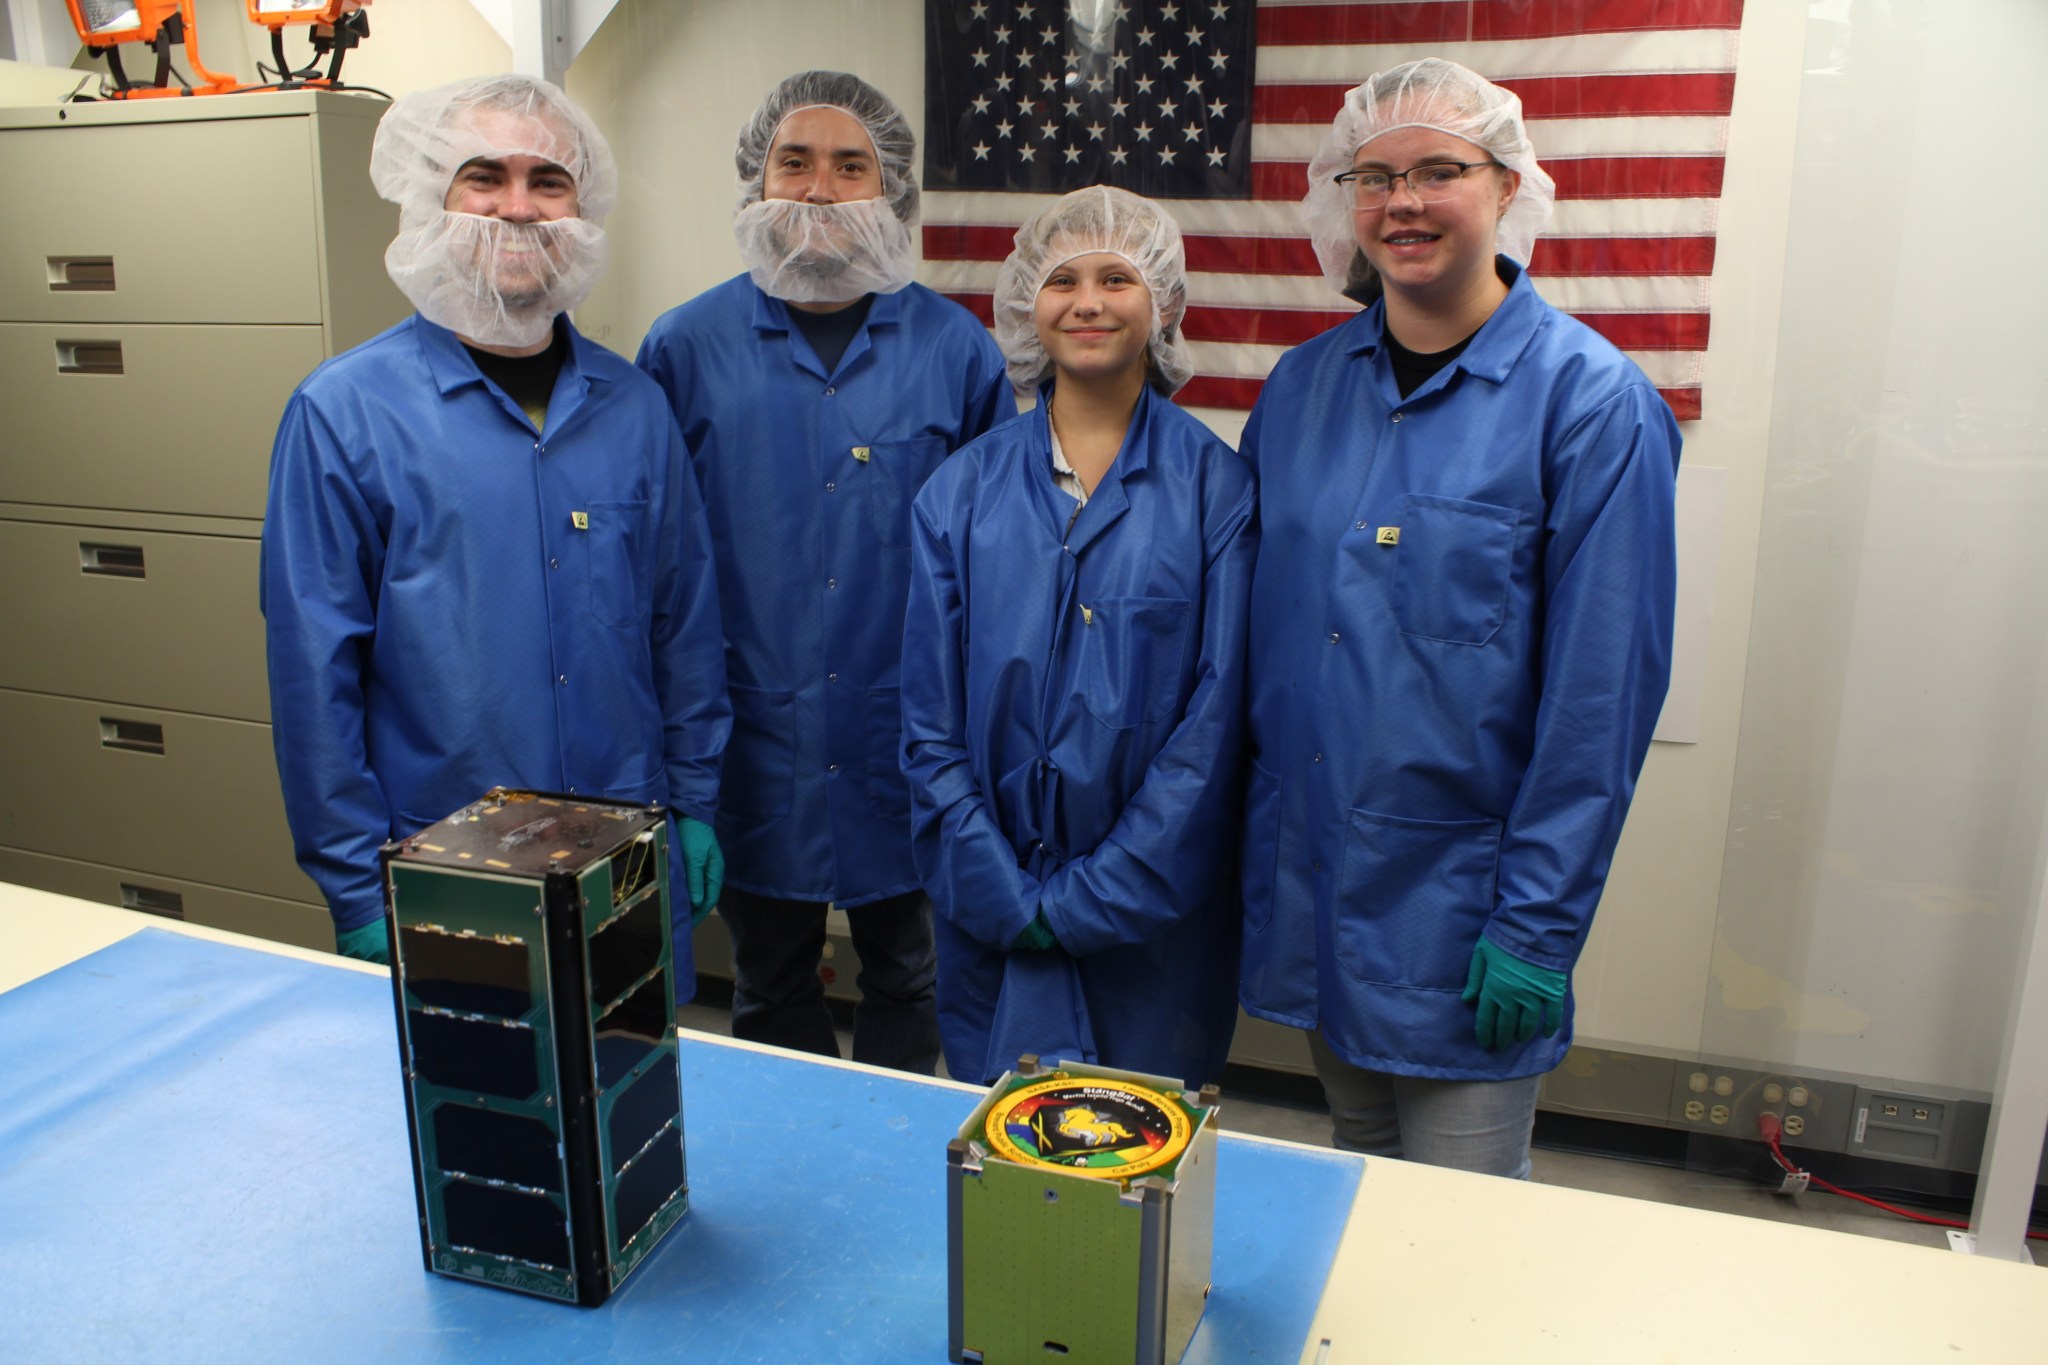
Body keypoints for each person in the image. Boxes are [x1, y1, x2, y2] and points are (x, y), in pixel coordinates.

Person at [1237, 59, 1681, 1176]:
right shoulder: (1297, 391)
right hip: (1314, 893)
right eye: (1372, 176)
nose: (1402, 202)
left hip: (1462, 918)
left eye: (1438, 170)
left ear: (1506, 186)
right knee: (1352, 1182)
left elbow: (1598, 704)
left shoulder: (1589, 406)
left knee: (1458, 1233)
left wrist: (1536, 928)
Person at [262, 74, 730, 973]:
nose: (518, 206)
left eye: (548, 180)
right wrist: (357, 887)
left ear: (583, 207)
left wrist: (697, 802)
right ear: (430, 196)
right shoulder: (344, 413)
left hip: (625, 848)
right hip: (445, 863)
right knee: (478, 1101)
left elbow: (685, 629)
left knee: (633, 1099)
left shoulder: (634, 406)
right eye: (485, 175)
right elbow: (313, 678)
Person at [636, 71, 1012, 1074]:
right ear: (755, 180)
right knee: (768, 980)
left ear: (890, 191)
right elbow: (660, 571)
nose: (817, 187)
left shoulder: (954, 350)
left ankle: (889, 1154)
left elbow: (998, 565)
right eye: (790, 161)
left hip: (909, 738)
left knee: (908, 974)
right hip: (753, 740)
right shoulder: (683, 348)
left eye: (851, 166)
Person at [901, 186, 1254, 1088]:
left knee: (1139, 1171)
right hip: (993, 910)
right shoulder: (958, 492)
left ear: (1164, 305)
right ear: (1027, 303)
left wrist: (1099, 894)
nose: (1087, 300)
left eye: (1116, 277)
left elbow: (1212, 729)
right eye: (1061, 278)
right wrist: (1003, 891)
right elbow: (928, 721)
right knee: (997, 1163)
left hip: (1152, 927)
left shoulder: (1219, 491)